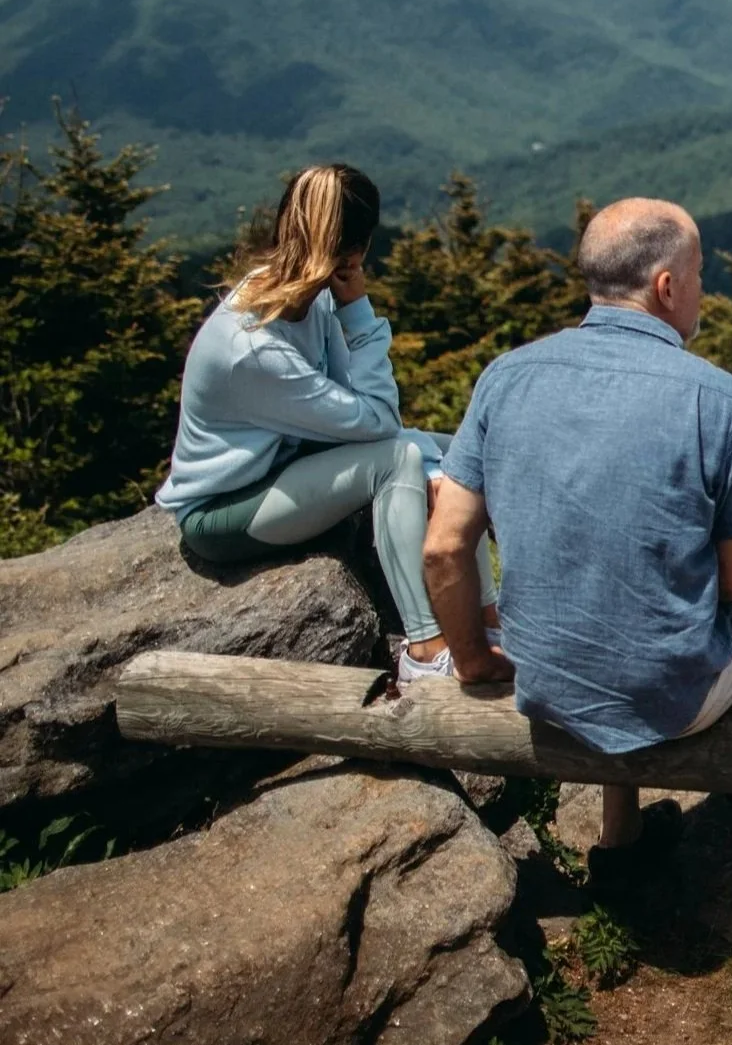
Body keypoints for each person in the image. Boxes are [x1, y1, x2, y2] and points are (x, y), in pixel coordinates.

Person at [423, 197, 732, 885]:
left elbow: (443, 546)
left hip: (545, 681)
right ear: (667, 286)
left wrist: (472, 657)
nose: (703, 289)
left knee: (608, 585)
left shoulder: (506, 375)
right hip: (673, 700)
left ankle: (621, 831)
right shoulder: (722, 397)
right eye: (701, 273)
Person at [156, 164, 495, 690]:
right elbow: (379, 422)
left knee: (459, 455)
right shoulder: (254, 347)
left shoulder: (301, 301)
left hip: (283, 470)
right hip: (223, 512)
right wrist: (359, 310)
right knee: (398, 461)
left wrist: (439, 466)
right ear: (353, 253)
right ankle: (426, 649)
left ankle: (486, 620)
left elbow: (363, 415)